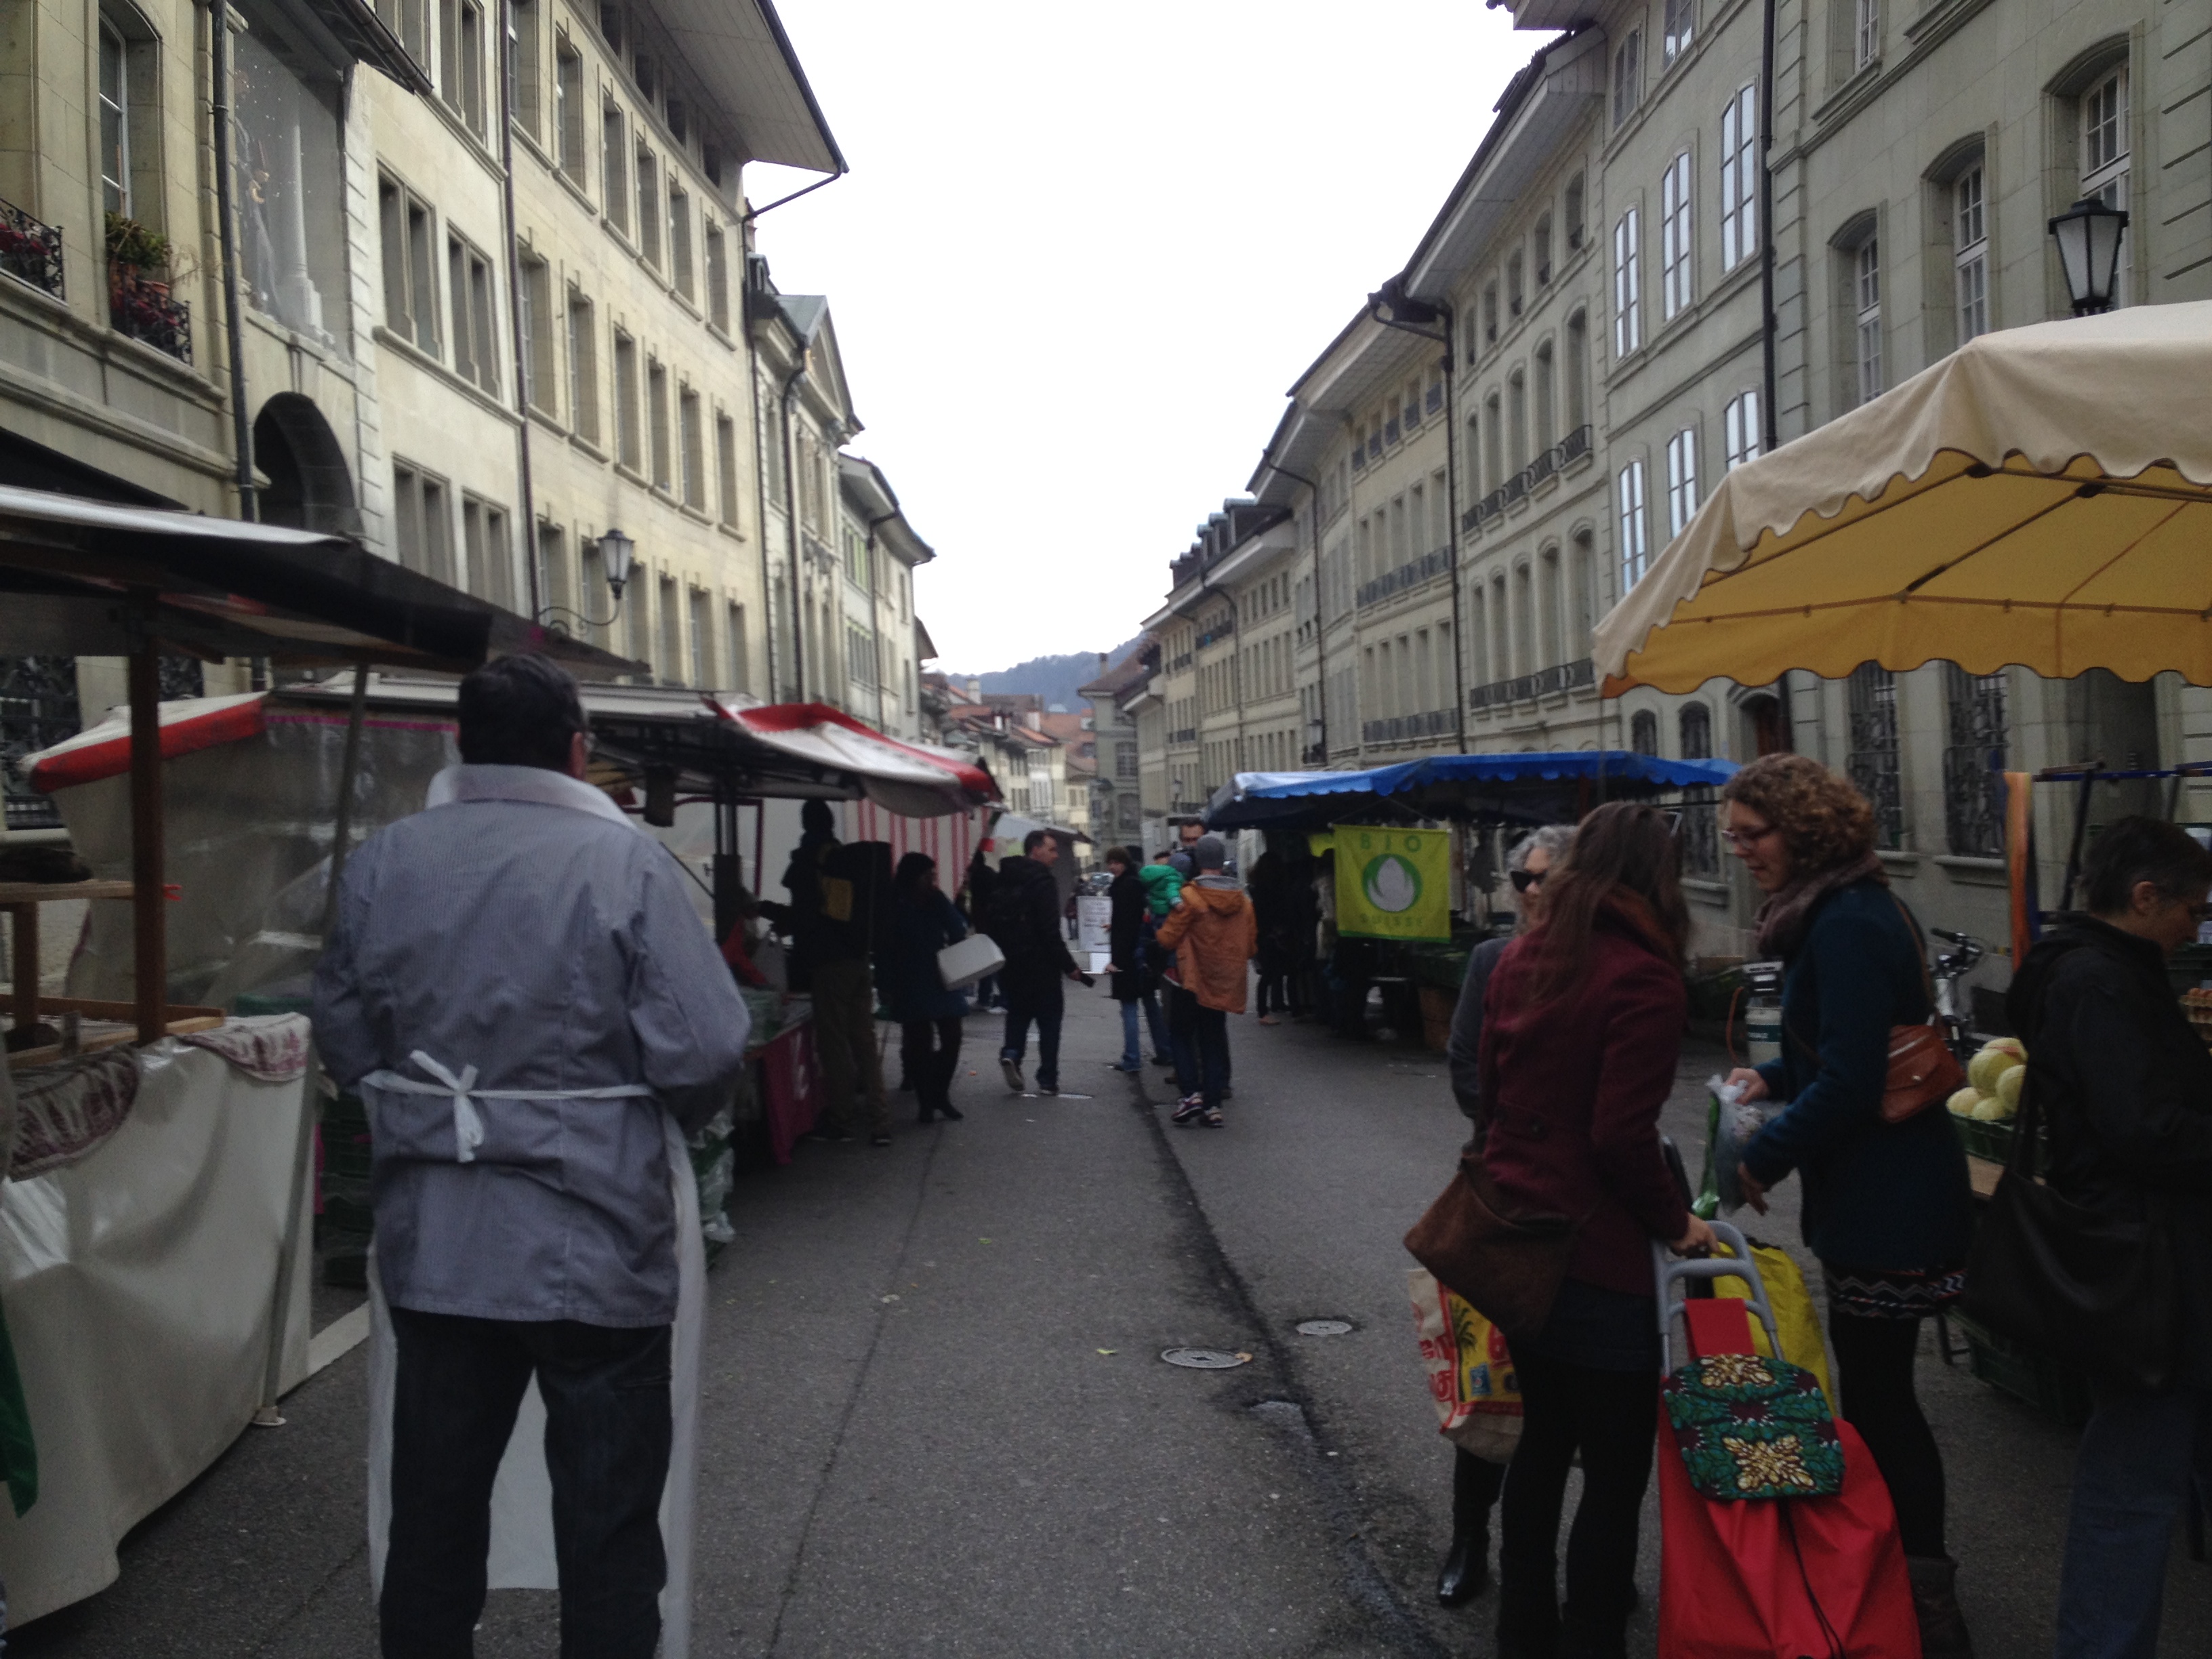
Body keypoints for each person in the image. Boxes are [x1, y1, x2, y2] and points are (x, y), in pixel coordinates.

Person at [313, 654, 750, 1659]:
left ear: (461, 744)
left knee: (433, 1513)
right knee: (606, 1528)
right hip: (596, 1245)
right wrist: (648, 1118)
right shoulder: (626, 862)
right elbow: (708, 1043)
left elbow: (342, 1030)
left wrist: (416, 1108)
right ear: (576, 748)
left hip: (438, 1247)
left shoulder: (387, 861)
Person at [1718, 752, 1975, 1656]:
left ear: (1806, 829)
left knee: (1883, 1402)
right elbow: (1846, 1050)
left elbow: (1856, 1079)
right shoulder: (1849, 908)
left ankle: (1926, 1601)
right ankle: (1902, 1584)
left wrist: (1761, 1158)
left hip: (1891, 1200)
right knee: (1874, 1396)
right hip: (1884, 1194)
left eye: (1753, 835)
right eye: (1734, 837)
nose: (1741, 851)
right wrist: (1773, 1073)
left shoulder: (1846, 921)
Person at [1479, 802, 1715, 1659]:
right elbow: (1622, 1136)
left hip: (1518, 1235)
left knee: (1540, 1447)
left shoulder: (1525, 957)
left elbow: (1494, 1097)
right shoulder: (1642, 976)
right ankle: (1590, 1638)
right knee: (1614, 1473)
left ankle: (1523, 1631)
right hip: (1600, 1255)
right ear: (1658, 876)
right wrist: (1676, 1220)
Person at [2004, 817, 2212, 1659]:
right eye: (2192, 911)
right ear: (2144, 896)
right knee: (2131, 1486)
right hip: (2149, 1272)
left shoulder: (2101, 970)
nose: (2197, 928)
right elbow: (2146, 1130)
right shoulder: (2100, 982)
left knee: (2148, 1465)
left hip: (2155, 1263)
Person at [1435, 823, 1575, 1607]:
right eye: (1520, 878)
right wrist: (1522, 1139)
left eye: (1540, 879)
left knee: (1579, 1397)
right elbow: (1464, 1068)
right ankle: (1468, 1536)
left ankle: (1593, 1553)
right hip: (1501, 1197)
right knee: (1493, 1387)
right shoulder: (1492, 962)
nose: (1525, 892)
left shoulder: (1605, 966)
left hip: (1583, 1208)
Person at [782, 799, 891, 1147]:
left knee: (835, 1044)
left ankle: (841, 1120)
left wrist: (764, 910)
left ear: (804, 823)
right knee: (864, 1041)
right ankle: (880, 1122)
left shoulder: (808, 859)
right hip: (860, 959)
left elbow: (801, 915)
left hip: (830, 965)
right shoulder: (845, 857)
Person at [1155, 834, 1256, 1128]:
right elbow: (1250, 946)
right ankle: (1213, 1105)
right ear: (1222, 863)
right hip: (1223, 980)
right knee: (1213, 1039)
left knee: (1181, 1035)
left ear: (1198, 862)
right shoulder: (1244, 903)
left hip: (1191, 979)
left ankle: (1191, 1095)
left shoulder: (1190, 897)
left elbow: (1168, 938)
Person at [986, 828, 1086, 1094]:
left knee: (1018, 1013)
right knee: (1050, 1020)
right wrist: (1069, 966)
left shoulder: (1005, 879)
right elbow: (1050, 931)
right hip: (1042, 965)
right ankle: (1047, 1078)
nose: (1055, 856)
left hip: (1011, 962)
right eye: (1051, 850)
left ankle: (1012, 1053)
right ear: (1036, 850)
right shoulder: (1043, 882)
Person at [877, 853, 970, 1125]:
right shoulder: (895, 904)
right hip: (909, 979)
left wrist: (942, 903)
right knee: (920, 1046)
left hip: (942, 976)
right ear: (913, 877)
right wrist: (885, 984)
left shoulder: (936, 900)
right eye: (927, 875)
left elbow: (957, 930)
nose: (932, 880)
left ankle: (940, 1093)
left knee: (952, 1038)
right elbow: (884, 947)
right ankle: (926, 1102)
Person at [1104, 845, 1172, 1073]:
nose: (1113, 867)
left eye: (1116, 862)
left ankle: (1132, 1059)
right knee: (1150, 1003)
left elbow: (1125, 928)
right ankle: (1165, 1051)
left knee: (1130, 1006)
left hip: (1129, 956)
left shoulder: (1123, 887)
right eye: (1110, 863)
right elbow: (1134, 920)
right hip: (1145, 953)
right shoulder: (1137, 884)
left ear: (1124, 862)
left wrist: (1117, 961)